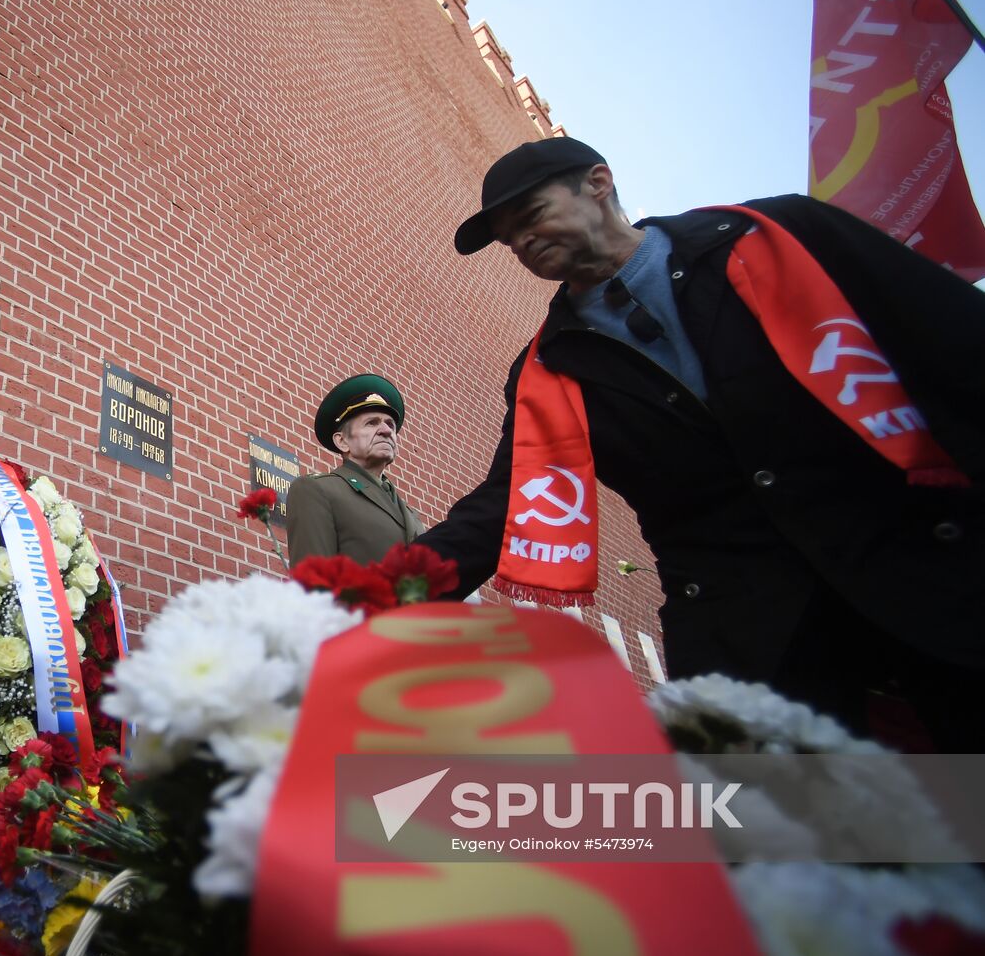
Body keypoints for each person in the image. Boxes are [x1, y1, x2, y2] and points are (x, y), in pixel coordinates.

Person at [417, 136, 985, 750]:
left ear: (599, 182)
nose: (523, 243)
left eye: (530, 217)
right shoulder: (551, 371)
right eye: (509, 239)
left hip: (938, 576)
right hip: (753, 651)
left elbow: (955, 346)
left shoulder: (780, 239)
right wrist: (368, 596)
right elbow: (500, 511)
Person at [287, 374, 424, 567]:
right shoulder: (319, 490)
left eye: (390, 424)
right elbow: (314, 585)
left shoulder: (411, 515)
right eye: (372, 423)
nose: (386, 431)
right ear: (342, 441)